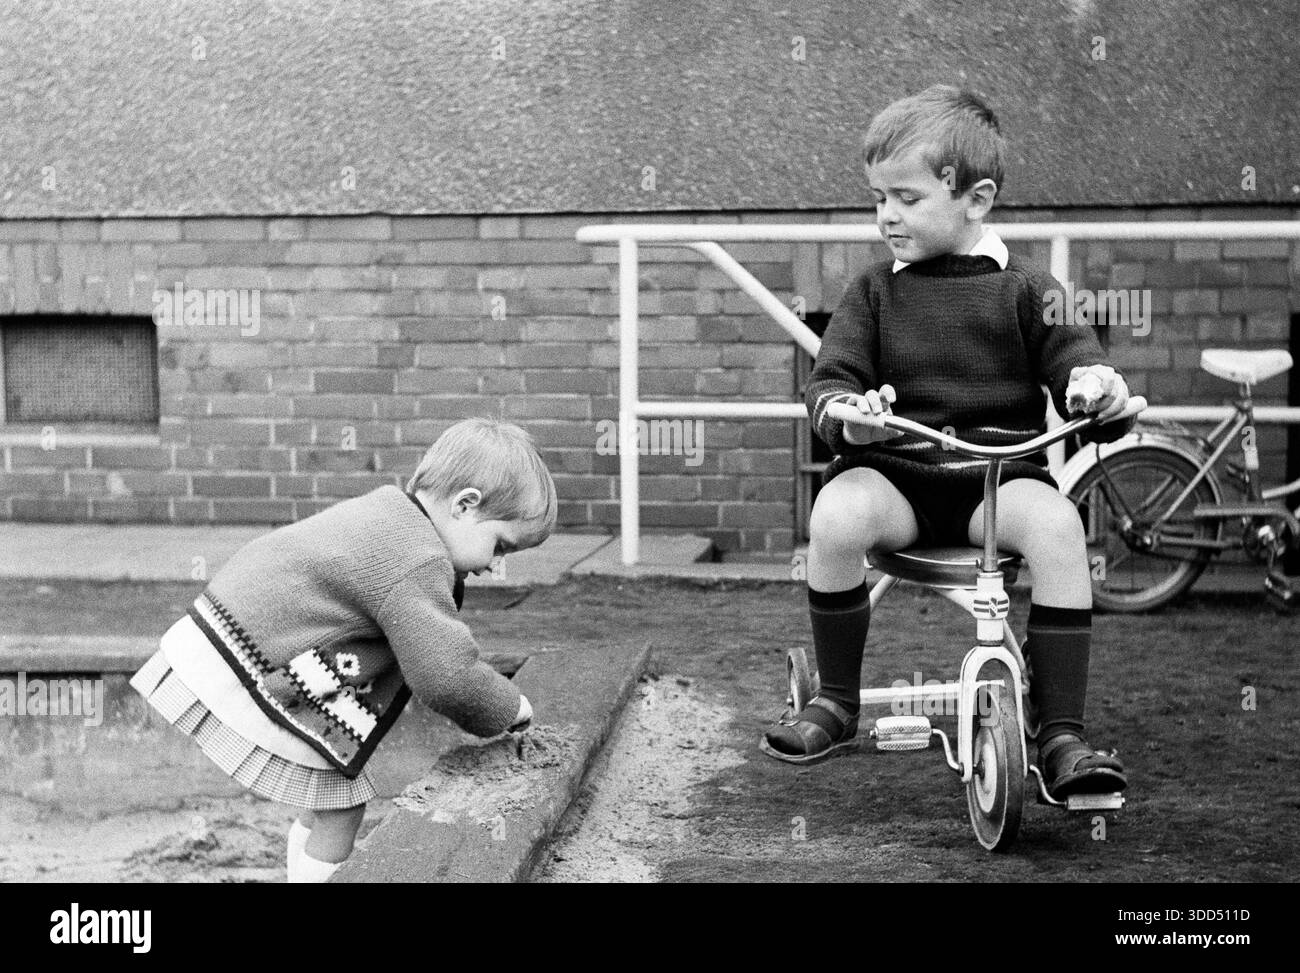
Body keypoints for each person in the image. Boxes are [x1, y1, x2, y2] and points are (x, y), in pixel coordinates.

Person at [762, 85, 1132, 800]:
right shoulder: (874, 292)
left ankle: (1060, 736)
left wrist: (1097, 392)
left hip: (994, 481)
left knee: (1058, 526)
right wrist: (849, 415)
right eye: (877, 199)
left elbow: (1080, 367)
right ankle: (838, 700)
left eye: (905, 197)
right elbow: (828, 384)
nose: (886, 216)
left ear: (977, 198)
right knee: (835, 514)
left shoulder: (1027, 287)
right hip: (896, 477)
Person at [130, 417, 557, 881]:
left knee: (323, 793)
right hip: (252, 662)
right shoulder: (417, 558)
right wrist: (508, 706)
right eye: (501, 547)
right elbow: (446, 676)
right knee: (343, 801)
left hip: (224, 638)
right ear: (465, 506)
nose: (497, 566)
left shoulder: (390, 514)